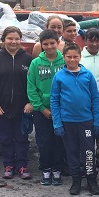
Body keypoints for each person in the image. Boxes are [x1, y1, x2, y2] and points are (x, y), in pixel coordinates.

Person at [50, 43, 99, 195]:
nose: (72, 59)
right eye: (69, 57)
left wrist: (96, 121)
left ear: (80, 57)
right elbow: (54, 100)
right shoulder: (59, 76)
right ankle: (76, 180)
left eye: (75, 56)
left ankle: (91, 180)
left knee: (88, 152)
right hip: (68, 122)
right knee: (71, 151)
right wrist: (57, 123)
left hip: (86, 121)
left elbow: (95, 98)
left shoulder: (87, 75)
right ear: (64, 58)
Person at [0, 26, 33, 179]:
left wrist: (30, 102)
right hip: (1, 108)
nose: (13, 41)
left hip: (23, 108)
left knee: (22, 138)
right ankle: (9, 165)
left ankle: (22, 166)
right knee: (5, 138)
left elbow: (32, 84)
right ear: (3, 40)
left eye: (17, 38)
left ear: (21, 40)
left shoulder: (28, 59)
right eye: (10, 38)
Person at [27, 29, 65, 186]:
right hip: (41, 111)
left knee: (59, 141)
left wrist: (61, 109)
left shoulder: (64, 62)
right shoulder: (35, 63)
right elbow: (31, 88)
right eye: (45, 44)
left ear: (58, 43)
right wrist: (41, 108)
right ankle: (46, 169)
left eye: (52, 43)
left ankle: (57, 169)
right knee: (43, 142)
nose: (49, 47)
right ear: (41, 45)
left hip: (61, 111)